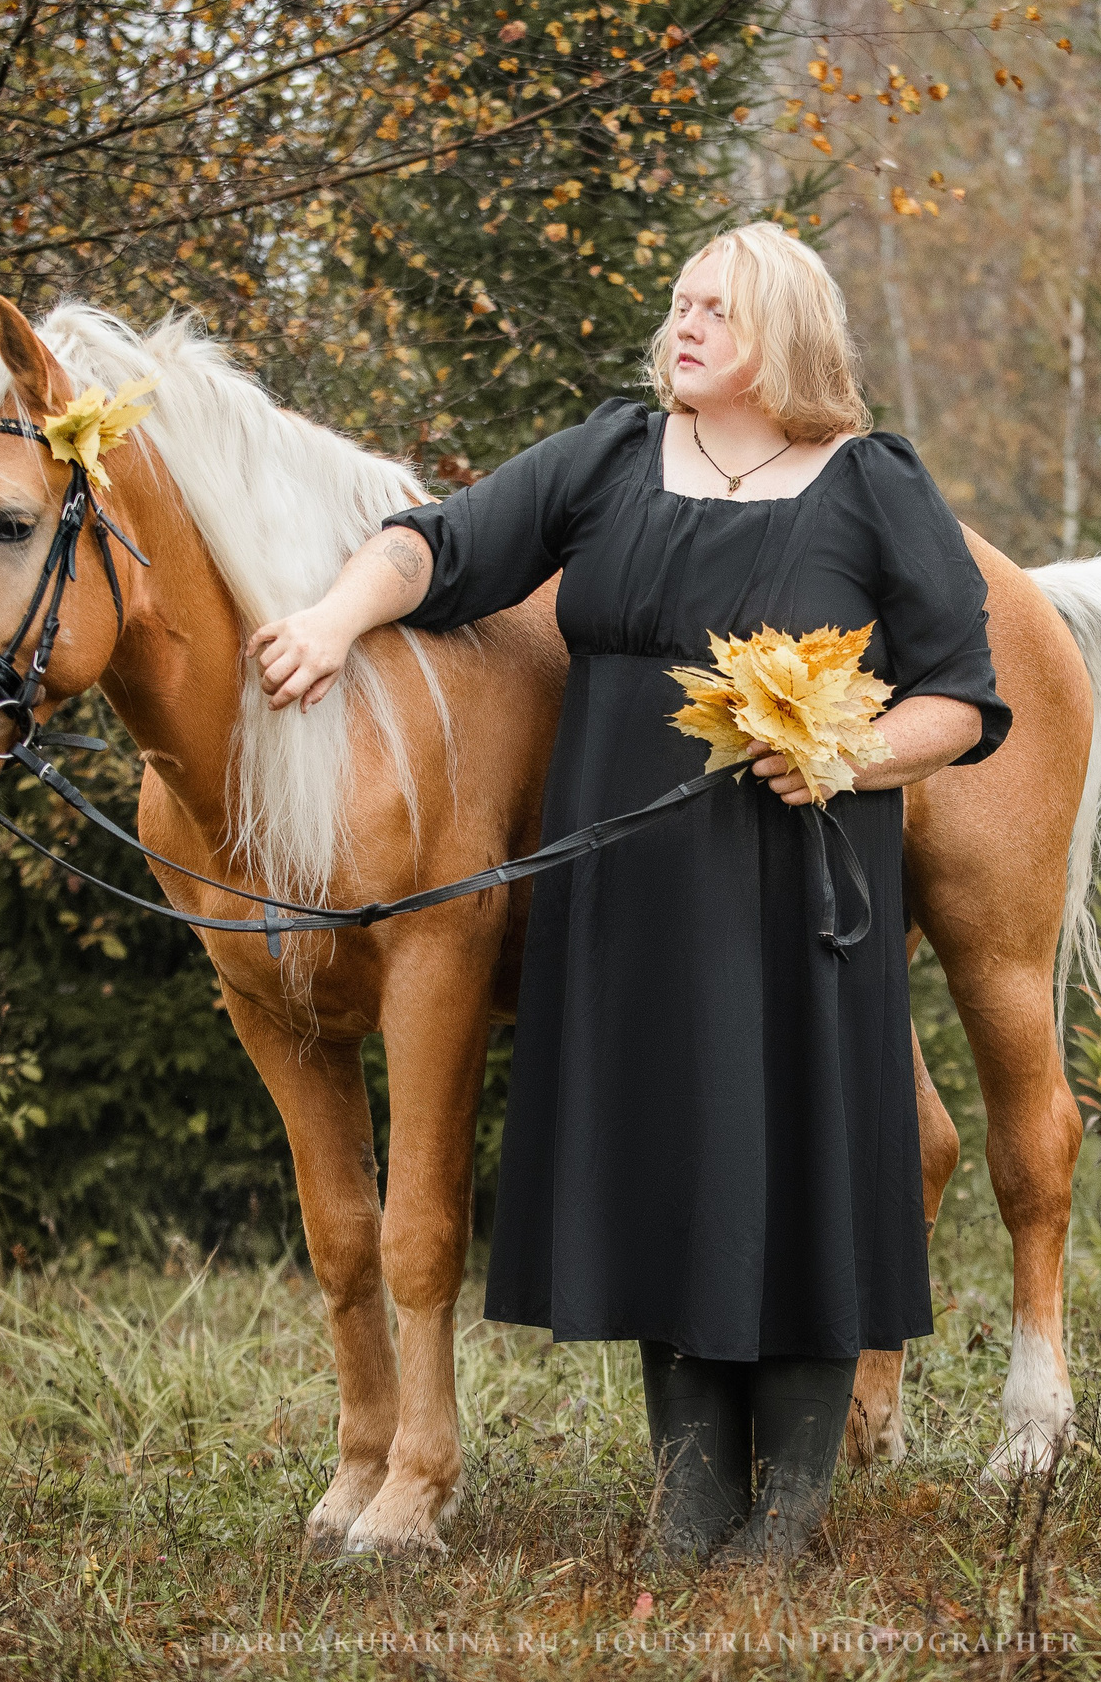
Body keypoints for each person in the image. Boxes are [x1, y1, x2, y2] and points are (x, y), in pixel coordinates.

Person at [244, 222, 1010, 1565]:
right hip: (630, 911)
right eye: (680, 303)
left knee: (800, 1169)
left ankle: (788, 1507)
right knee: (671, 1170)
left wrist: (847, 753)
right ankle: (694, 1491)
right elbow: (440, 544)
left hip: (799, 897)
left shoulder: (872, 484)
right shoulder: (611, 455)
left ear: (785, 332)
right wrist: (332, 617)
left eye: (717, 307)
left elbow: (961, 695)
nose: (686, 325)